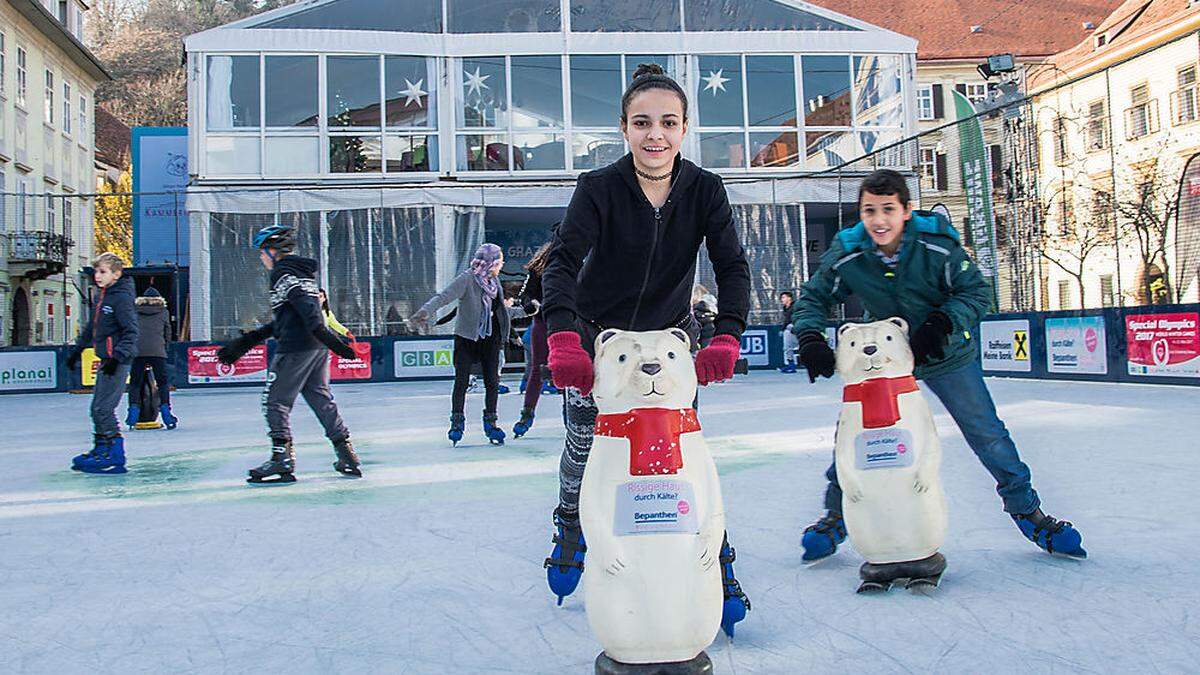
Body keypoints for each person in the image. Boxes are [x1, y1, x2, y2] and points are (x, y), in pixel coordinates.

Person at [540, 63, 753, 637]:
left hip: (668, 342)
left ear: (684, 128)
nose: (654, 134)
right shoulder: (599, 188)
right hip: (601, 345)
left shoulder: (705, 189)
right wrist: (564, 335)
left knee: (683, 461)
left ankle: (719, 560)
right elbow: (561, 263)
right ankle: (570, 523)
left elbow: (731, 266)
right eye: (641, 123)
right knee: (586, 449)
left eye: (667, 122)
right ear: (624, 128)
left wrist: (727, 332)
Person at [792, 169, 1086, 561]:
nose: (879, 220)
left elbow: (978, 293)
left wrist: (942, 322)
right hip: (888, 362)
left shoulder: (937, 245)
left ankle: (1028, 512)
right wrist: (810, 337)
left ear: (906, 211)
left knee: (987, 434)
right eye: (869, 211)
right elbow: (812, 298)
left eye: (888, 210)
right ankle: (837, 514)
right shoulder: (850, 251)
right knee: (858, 437)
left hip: (946, 354)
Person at [216, 225, 361, 483]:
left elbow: (307, 310)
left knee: (275, 401)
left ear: (273, 252)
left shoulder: (283, 273)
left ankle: (281, 459)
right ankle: (346, 453)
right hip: (314, 348)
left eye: (262, 253)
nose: (261, 259)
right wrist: (244, 344)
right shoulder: (303, 275)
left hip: (296, 348)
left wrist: (335, 342)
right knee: (320, 399)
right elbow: (287, 320)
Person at [411, 243, 514, 446]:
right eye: (499, 261)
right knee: (461, 381)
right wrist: (424, 311)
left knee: (492, 382)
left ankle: (491, 423)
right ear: (491, 262)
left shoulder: (495, 283)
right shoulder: (467, 278)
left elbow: (502, 311)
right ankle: (457, 422)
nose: (501, 265)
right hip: (467, 338)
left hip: (490, 339)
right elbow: (444, 297)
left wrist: (526, 311)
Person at [66, 252, 139, 474]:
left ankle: (115, 454)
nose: (97, 276)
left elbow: (131, 332)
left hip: (117, 360)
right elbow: (92, 327)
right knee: (96, 408)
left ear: (116, 274)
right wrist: (79, 349)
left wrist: (117, 358)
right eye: (96, 271)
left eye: (103, 271)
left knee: (103, 408)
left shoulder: (121, 297)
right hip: (106, 358)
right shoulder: (103, 295)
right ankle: (101, 448)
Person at [513, 240, 554, 438]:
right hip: (544, 322)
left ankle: (573, 413)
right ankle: (527, 413)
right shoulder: (538, 270)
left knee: (570, 367)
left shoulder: (577, 265)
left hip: (570, 322)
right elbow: (525, 295)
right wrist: (532, 304)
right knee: (538, 368)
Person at [126, 287, 178, 429]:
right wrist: (164, 347)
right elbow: (168, 332)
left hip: (138, 351)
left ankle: (133, 411)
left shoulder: (134, 312)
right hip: (157, 351)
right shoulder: (163, 312)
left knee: (135, 383)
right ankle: (166, 412)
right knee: (162, 383)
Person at [778, 291, 799, 374]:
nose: (782, 299)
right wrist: (782, 329)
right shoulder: (785, 308)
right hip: (789, 330)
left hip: (795, 328)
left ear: (789, 298)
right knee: (787, 347)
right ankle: (791, 365)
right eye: (781, 298)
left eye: (783, 297)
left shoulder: (795, 306)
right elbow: (786, 320)